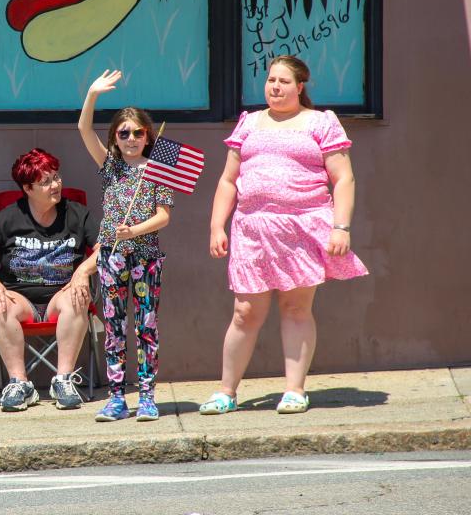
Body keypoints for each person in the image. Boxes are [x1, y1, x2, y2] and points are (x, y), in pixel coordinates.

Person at [200, 55, 369, 416]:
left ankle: (294, 390)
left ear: (300, 87)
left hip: (302, 226)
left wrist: (341, 226)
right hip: (252, 228)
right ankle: (226, 391)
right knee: (245, 311)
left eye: (283, 82)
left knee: (295, 307)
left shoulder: (321, 123)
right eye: (270, 80)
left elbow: (344, 179)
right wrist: (218, 225)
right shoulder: (249, 123)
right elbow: (228, 180)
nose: (275, 87)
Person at [0, 148, 99, 412]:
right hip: (19, 297)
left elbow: (107, 246)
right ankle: (19, 384)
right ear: (27, 188)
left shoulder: (76, 214)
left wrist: (82, 271)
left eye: (57, 177)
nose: (56, 185)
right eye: (46, 182)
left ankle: (64, 380)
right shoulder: (10, 217)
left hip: (61, 294)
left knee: (78, 297)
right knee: (0, 303)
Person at [78, 70, 174, 422]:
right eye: (124, 133)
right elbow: (83, 131)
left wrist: (134, 230)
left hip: (146, 257)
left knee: (145, 326)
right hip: (111, 256)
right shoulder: (110, 166)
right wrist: (92, 95)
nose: (131, 138)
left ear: (148, 135)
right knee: (114, 326)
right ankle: (117, 397)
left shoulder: (159, 169)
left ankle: (147, 396)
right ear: (115, 138)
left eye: (138, 132)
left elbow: (164, 216)